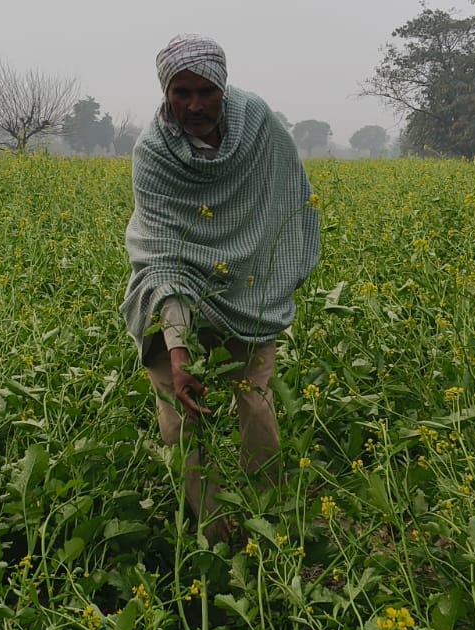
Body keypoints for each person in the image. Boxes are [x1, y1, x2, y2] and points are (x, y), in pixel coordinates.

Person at [120, 34, 321, 543]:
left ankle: (268, 520)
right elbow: (165, 259)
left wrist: (269, 269)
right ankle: (215, 531)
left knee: (253, 402)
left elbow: (289, 195)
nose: (194, 105)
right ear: (165, 92)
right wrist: (180, 351)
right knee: (178, 413)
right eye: (180, 92)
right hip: (173, 295)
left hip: (250, 289)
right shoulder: (153, 153)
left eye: (205, 91)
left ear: (223, 87)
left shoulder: (257, 123)